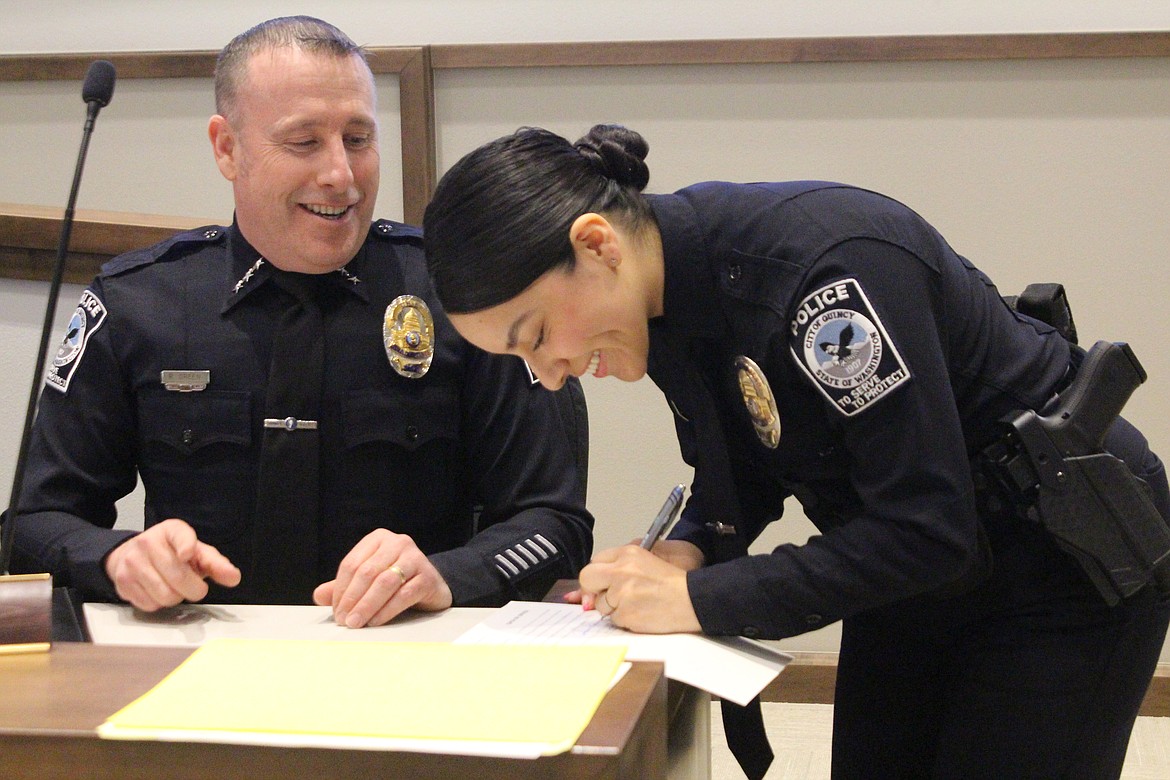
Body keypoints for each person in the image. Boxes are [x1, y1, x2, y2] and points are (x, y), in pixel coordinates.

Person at [422, 124, 1170, 778]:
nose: (547, 376)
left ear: (596, 244)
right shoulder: (663, 300)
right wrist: (693, 548)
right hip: (920, 566)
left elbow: (926, 526)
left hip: (1064, 556)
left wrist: (695, 600)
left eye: (537, 337)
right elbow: (748, 462)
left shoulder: (820, 279)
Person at [3, 18, 593, 630]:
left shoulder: (457, 298)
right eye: (304, 143)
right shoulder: (140, 303)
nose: (341, 174)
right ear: (227, 149)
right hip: (196, 667)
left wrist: (448, 575)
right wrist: (118, 556)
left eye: (358, 138)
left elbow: (555, 522)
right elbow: (31, 524)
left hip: (409, 658)